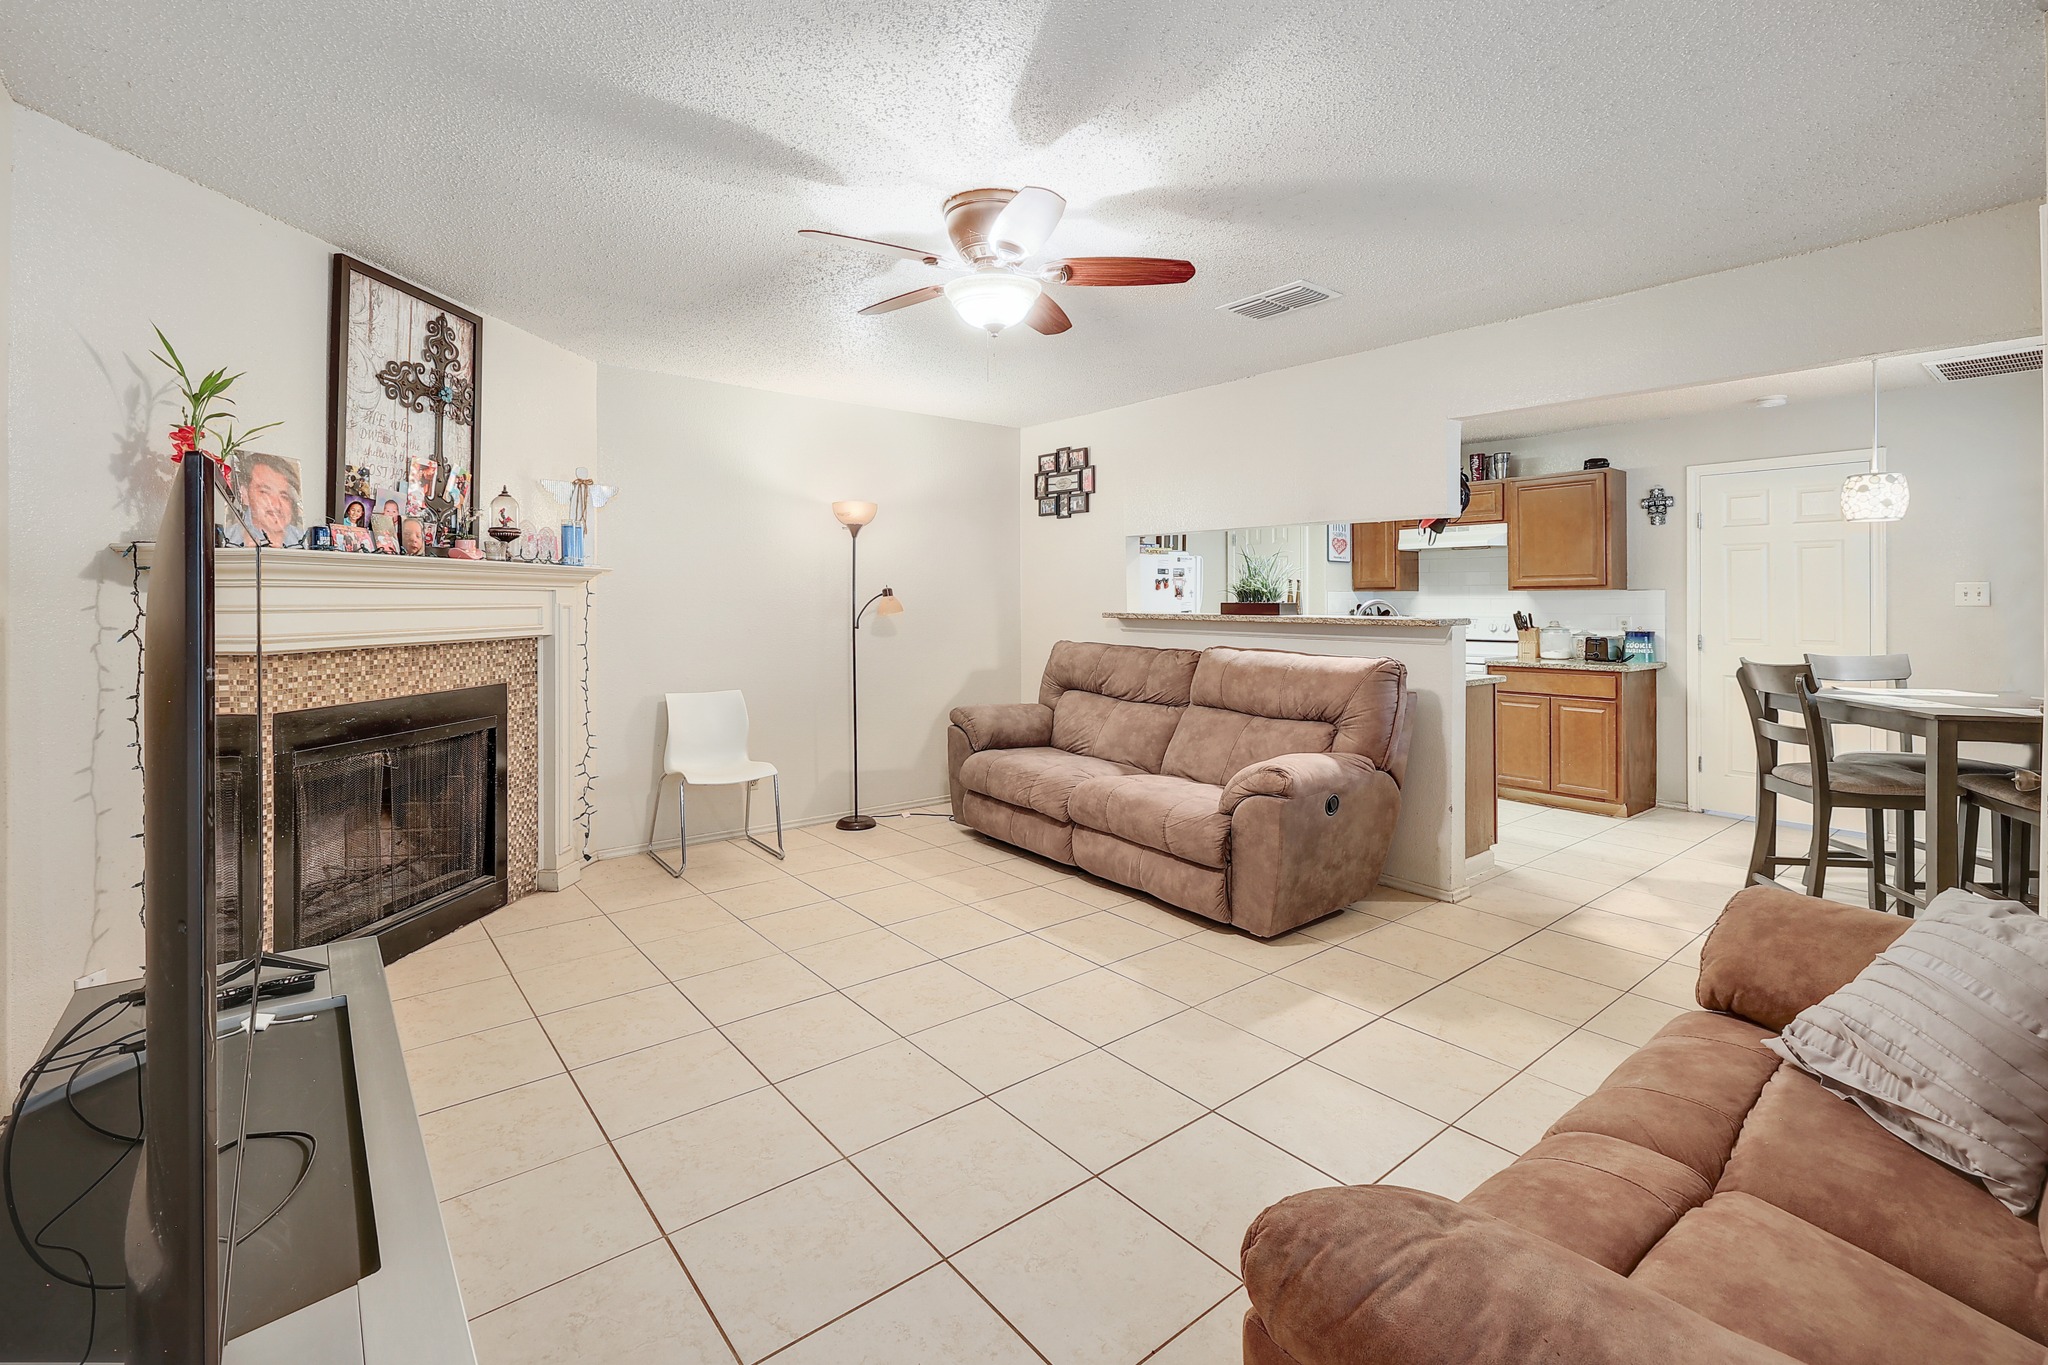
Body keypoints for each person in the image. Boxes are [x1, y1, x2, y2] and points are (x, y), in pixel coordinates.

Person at [227, 451, 305, 548]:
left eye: (284, 496)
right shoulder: (228, 540)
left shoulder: (305, 542)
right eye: (265, 493)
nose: (276, 505)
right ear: (245, 494)